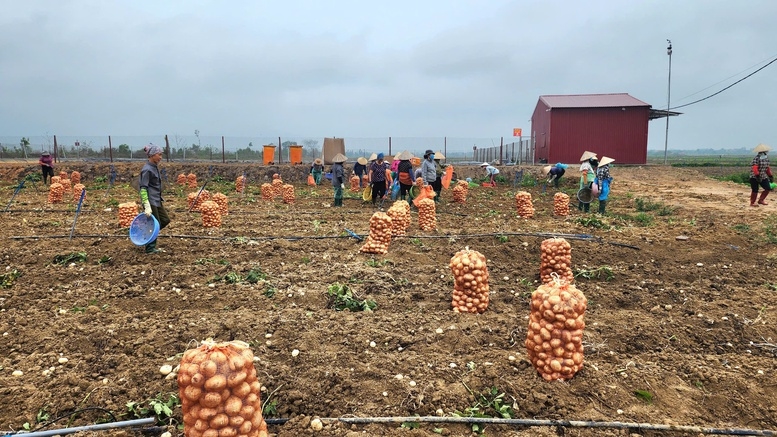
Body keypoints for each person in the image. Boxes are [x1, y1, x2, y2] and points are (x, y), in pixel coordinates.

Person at [139, 144, 171, 254]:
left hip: (157, 200)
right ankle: (150, 248)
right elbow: (143, 188)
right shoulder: (147, 170)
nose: (161, 157)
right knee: (154, 223)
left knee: (165, 220)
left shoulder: (154, 167)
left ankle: (146, 236)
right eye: (159, 154)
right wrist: (146, 205)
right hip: (150, 201)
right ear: (152, 155)